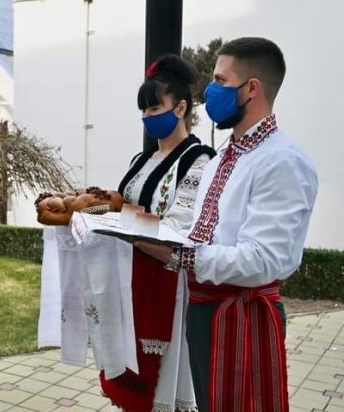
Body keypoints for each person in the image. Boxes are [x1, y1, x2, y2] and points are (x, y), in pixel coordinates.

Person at [134, 37, 319, 412]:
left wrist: (181, 257)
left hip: (242, 315)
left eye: (220, 80)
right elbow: (204, 232)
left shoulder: (281, 162)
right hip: (203, 309)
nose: (211, 90)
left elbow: (263, 260)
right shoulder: (222, 157)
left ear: (252, 88)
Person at [97, 55, 216, 412]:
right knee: (129, 374)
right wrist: (90, 210)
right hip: (130, 279)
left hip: (168, 283)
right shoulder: (141, 159)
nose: (148, 117)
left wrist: (117, 217)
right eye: (144, 110)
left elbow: (177, 227)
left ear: (180, 107)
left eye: (154, 108)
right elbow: (120, 205)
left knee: (161, 383)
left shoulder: (198, 161)